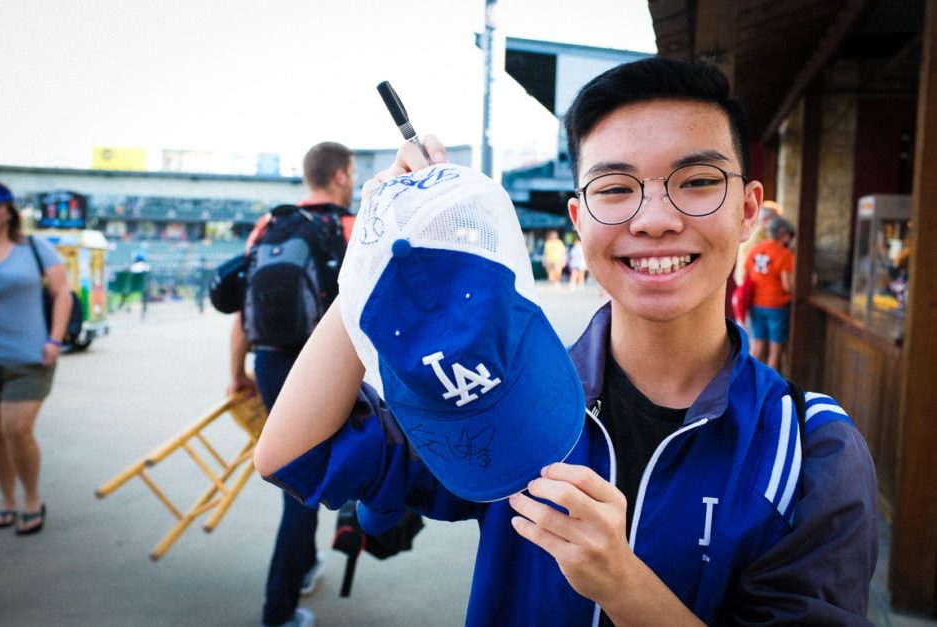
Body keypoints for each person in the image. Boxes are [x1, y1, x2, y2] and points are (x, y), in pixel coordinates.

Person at [253, 58, 878, 625]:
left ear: (748, 210)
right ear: (579, 222)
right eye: (614, 188)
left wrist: (625, 587)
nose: (654, 219)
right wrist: (380, 246)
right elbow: (291, 454)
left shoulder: (809, 450)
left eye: (695, 181)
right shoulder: (506, 394)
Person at [227, 142, 355, 627]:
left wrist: (236, 373)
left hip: (272, 366)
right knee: (305, 486)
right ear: (341, 175)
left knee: (295, 473)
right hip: (327, 371)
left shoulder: (267, 226)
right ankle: (276, 612)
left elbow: (243, 313)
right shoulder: (349, 227)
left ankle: (302, 569)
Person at [0, 181, 73, 535]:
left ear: (9, 210)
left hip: (29, 356)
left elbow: (62, 293)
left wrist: (55, 339)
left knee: (17, 429)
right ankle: (7, 500)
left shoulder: (34, 248)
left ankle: (31, 499)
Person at [743, 216, 796, 371]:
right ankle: (769, 391)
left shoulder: (756, 249)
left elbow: (746, 276)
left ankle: (748, 384)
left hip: (755, 304)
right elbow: (787, 286)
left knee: (757, 347)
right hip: (776, 307)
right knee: (775, 351)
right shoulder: (785, 254)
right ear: (784, 234)